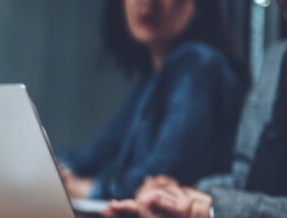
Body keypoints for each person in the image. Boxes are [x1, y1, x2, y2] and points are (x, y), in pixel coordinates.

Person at [104, 0, 287, 218]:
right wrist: (188, 196)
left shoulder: (199, 65)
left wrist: (211, 211)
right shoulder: (282, 59)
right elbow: (251, 185)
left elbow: (153, 168)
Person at [59, 0, 249, 200]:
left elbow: (163, 175)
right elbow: (95, 155)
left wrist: (93, 189)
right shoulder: (151, 80)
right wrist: (55, 170)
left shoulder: (199, 64)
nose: (147, 1)